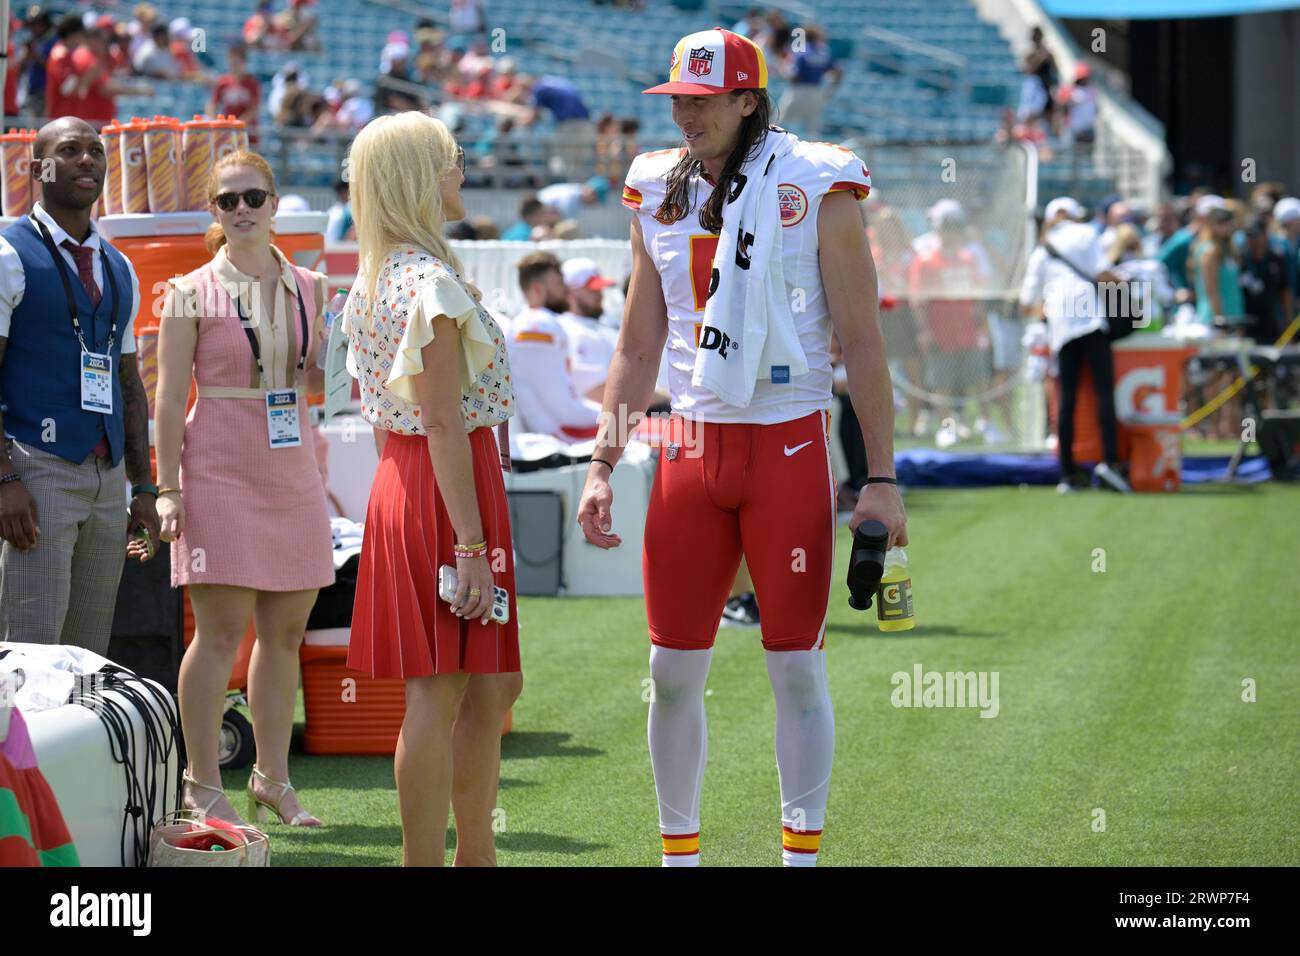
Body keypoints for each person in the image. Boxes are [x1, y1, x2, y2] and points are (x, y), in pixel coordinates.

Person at [578, 28, 904, 867]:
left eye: (702, 98)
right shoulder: (656, 186)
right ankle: (678, 857)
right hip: (689, 442)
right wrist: (602, 462)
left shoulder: (817, 181)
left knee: (795, 666)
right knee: (673, 666)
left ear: (748, 99)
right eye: (676, 99)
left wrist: (882, 478)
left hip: (788, 442)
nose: (684, 113)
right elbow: (636, 344)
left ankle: (799, 859)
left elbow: (863, 341)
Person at [342, 113, 521, 867]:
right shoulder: (428, 285)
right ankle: (438, 858)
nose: (461, 175)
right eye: (451, 163)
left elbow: (400, 419)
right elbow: (444, 423)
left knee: (490, 685)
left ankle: (469, 853)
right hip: (449, 486)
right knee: (444, 688)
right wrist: (472, 544)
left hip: (414, 482)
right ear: (418, 177)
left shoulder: (379, 278)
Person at [154, 149, 334, 828]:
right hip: (218, 466)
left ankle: (272, 778)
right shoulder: (187, 291)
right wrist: (167, 489)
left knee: (285, 634)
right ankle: (201, 782)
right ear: (213, 211)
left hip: (292, 468)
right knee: (221, 631)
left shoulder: (311, 286)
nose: (242, 210)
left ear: (275, 203)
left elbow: (317, 382)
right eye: (228, 200)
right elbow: (170, 400)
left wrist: (337, 365)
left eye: (253, 197)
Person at [0, 118, 156, 655]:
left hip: (107, 476)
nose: (87, 159)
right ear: (39, 167)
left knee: (86, 658)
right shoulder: (7, 253)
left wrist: (144, 488)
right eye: (69, 150)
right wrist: (4, 479)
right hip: (35, 465)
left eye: (95, 150)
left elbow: (130, 385)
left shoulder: (119, 266)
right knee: (27, 655)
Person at [1019, 197, 1131, 494]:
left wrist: (1052, 307)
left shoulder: (1042, 248)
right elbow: (1102, 272)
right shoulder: (1084, 234)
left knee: (1065, 399)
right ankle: (1110, 462)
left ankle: (1067, 473)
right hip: (1091, 321)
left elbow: (1026, 303)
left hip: (1062, 327)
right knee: (1104, 392)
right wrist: (1129, 285)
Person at [508, 252, 603, 439]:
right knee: (664, 433)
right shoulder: (537, 326)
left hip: (569, 429)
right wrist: (621, 418)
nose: (565, 292)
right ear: (537, 290)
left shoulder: (540, 322)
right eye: (559, 285)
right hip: (563, 436)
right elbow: (564, 410)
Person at [558, 257, 620, 404]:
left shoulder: (602, 323)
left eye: (599, 289)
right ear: (571, 293)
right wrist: (661, 399)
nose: (600, 295)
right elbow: (596, 390)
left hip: (623, 412)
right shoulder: (573, 331)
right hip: (604, 418)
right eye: (592, 290)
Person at [777, 24, 840, 140]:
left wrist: (781, 68)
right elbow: (838, 72)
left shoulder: (801, 50)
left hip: (799, 90)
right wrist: (830, 90)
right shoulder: (824, 52)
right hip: (817, 91)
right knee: (813, 131)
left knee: (779, 122)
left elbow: (794, 75)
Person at [1190, 202, 1244, 328]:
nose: (1225, 225)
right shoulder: (1210, 251)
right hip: (1215, 319)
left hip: (1233, 315)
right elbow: (1211, 290)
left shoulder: (1229, 248)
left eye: (1227, 221)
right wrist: (1220, 319)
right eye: (1220, 221)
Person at [210, 45, 262, 146]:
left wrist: (237, 125)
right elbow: (212, 105)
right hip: (227, 135)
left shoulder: (252, 83)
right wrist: (218, 123)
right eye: (231, 62)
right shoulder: (223, 82)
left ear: (244, 62)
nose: (233, 65)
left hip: (247, 135)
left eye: (236, 62)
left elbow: (254, 109)